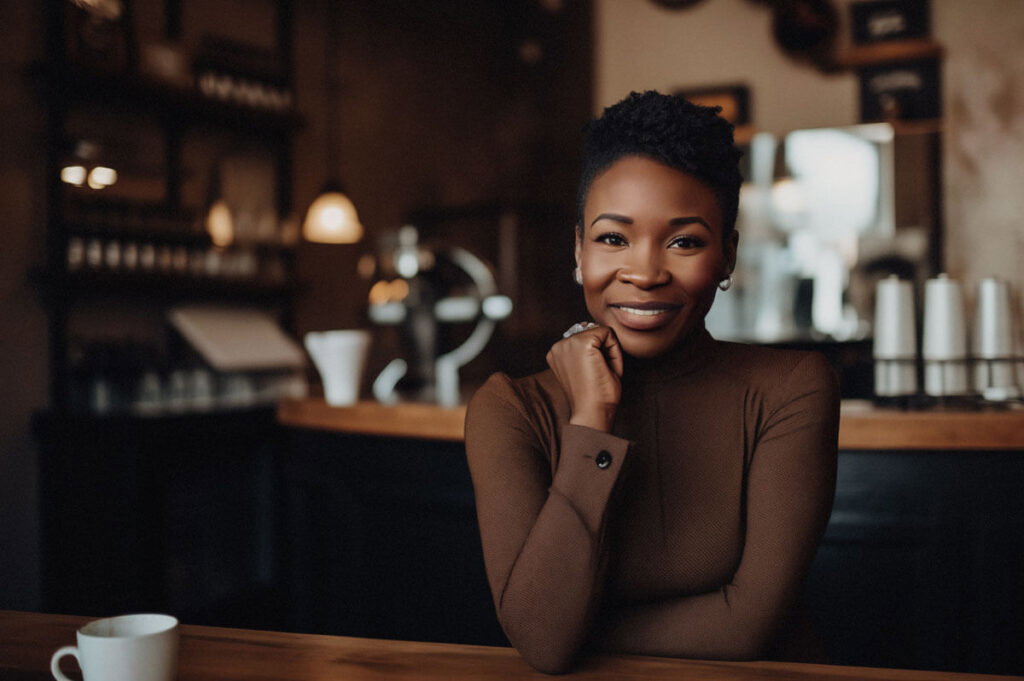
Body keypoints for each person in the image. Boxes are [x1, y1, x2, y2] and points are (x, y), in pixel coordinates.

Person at [464, 91, 839, 674]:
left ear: (728, 254)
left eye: (683, 240)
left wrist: (573, 627)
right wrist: (591, 419)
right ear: (578, 250)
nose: (643, 272)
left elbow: (749, 626)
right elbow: (540, 642)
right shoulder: (511, 409)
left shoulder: (789, 390)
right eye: (613, 238)